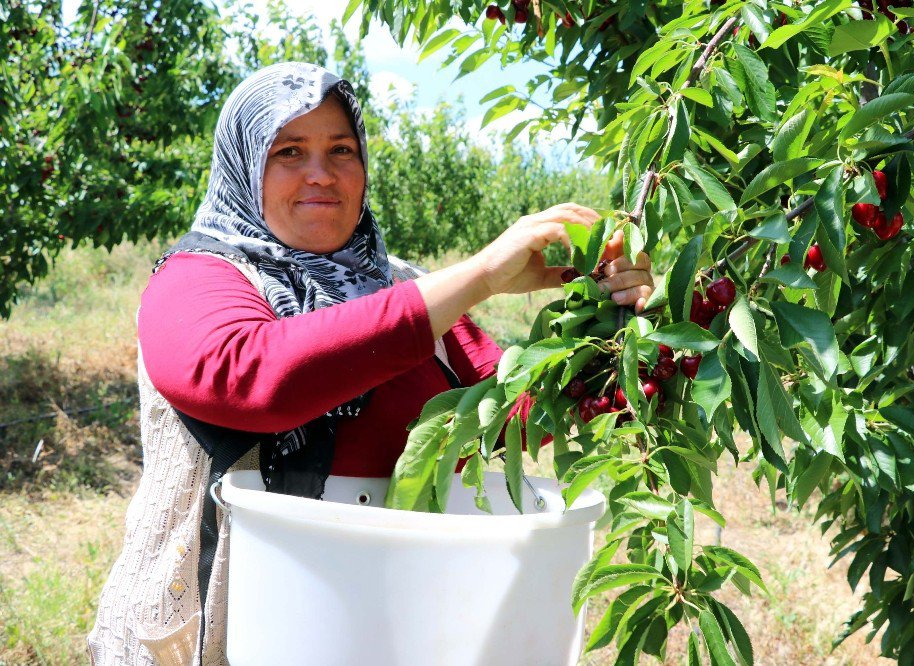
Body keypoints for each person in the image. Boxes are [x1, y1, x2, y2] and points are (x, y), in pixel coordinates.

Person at [87, 61, 654, 665]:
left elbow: (524, 414)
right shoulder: (198, 279)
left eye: (341, 150)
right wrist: (481, 275)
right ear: (243, 164)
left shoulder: (408, 291)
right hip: (218, 637)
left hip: (381, 629)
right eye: (288, 151)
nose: (320, 174)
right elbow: (252, 377)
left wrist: (614, 323)